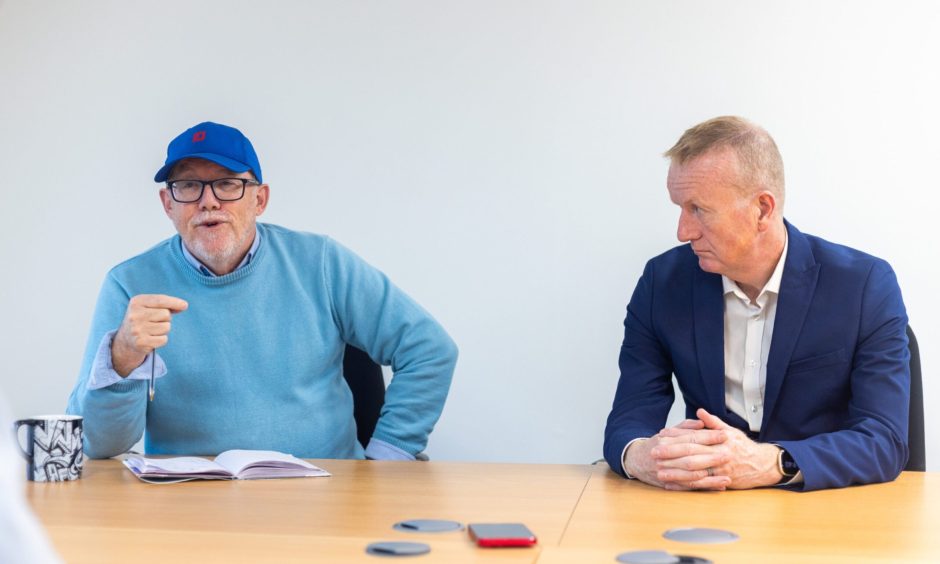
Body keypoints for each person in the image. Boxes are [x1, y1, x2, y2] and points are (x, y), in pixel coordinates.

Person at [67, 122, 458, 461]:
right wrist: (123, 358)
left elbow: (429, 347)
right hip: (189, 508)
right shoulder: (129, 286)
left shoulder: (320, 262)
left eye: (227, 184)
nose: (209, 201)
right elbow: (98, 444)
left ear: (260, 199)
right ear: (168, 204)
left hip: (325, 494)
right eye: (188, 186)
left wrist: (387, 457)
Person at [603, 116, 909, 492]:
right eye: (680, 208)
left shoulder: (863, 286)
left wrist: (773, 462)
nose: (683, 232)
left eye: (698, 209)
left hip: (821, 510)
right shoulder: (662, 283)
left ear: (762, 209)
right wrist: (641, 456)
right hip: (708, 509)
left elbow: (884, 440)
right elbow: (628, 419)